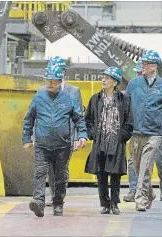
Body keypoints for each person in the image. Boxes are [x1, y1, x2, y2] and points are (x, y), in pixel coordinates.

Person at [22, 65, 88, 217]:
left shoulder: (69, 98)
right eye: (47, 80)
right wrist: (26, 138)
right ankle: (38, 201)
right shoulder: (39, 96)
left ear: (60, 81)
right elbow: (29, 118)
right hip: (42, 144)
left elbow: (79, 119)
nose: (49, 83)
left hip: (63, 145)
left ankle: (58, 203)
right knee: (40, 172)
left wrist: (82, 135)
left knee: (60, 175)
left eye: (52, 81)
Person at [125, 50, 162, 211]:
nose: (143, 66)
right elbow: (126, 107)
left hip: (155, 133)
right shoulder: (133, 83)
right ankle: (150, 193)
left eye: (146, 64)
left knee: (146, 167)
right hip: (135, 132)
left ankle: (140, 199)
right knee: (137, 167)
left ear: (154, 66)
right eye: (143, 63)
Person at [84, 66, 133, 215]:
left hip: (116, 141)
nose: (104, 80)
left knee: (115, 174)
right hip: (100, 141)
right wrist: (93, 134)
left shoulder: (124, 99)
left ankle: (114, 203)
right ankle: (104, 204)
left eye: (108, 78)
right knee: (101, 174)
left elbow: (129, 122)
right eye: (103, 77)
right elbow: (88, 120)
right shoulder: (95, 99)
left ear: (115, 82)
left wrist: (121, 137)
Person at [40, 56, 83, 207]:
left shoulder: (73, 91)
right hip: (48, 137)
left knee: (61, 167)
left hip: (66, 137)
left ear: (64, 72)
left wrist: (78, 137)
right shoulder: (44, 90)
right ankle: (54, 196)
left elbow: (78, 116)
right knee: (51, 168)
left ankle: (59, 197)